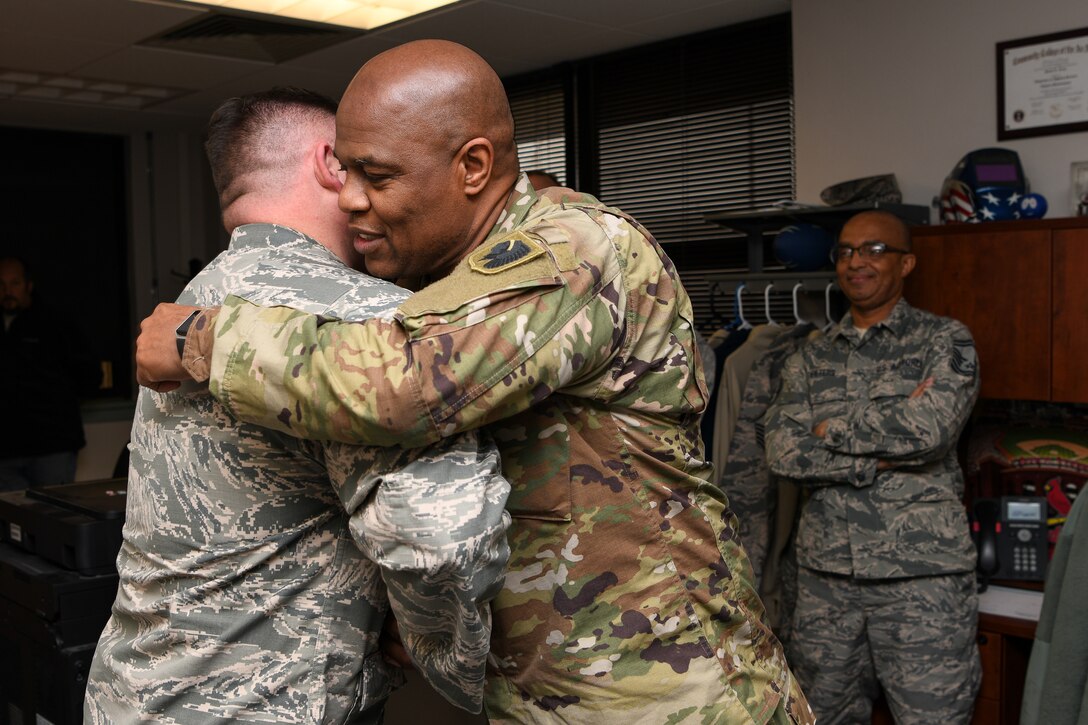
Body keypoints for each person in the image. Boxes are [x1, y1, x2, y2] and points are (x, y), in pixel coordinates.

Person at [133, 40, 813, 724]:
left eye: (378, 175)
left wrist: (203, 338)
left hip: (667, 691)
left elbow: (403, 384)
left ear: (473, 166)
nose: (351, 200)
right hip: (547, 691)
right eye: (346, 173)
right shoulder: (445, 280)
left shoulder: (572, 248)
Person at [85, 88, 511, 724]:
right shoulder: (361, 317)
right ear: (329, 164)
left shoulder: (193, 300)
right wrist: (447, 656)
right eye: (362, 164)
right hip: (265, 705)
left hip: (135, 694)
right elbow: (440, 536)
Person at [763, 210, 982, 724]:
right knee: (821, 716)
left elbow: (930, 433)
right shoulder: (806, 360)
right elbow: (781, 452)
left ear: (906, 263)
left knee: (935, 717)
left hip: (921, 579)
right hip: (825, 581)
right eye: (845, 251)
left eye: (874, 250)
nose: (856, 262)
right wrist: (878, 457)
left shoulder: (945, 342)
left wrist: (830, 430)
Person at [0, 256, 101, 490]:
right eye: (2, 285)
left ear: (28, 285)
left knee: (53, 517)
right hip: (5, 451)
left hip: (52, 446)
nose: (7, 291)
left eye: (14, 284)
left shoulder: (56, 324)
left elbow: (90, 376)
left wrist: (57, 401)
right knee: (9, 523)